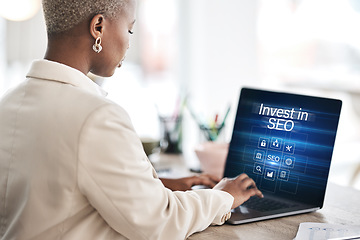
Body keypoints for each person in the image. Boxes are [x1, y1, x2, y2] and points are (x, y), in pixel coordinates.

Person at [0, 0, 263, 239]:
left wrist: (152, 185)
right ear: (98, 26)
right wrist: (222, 197)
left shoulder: (8, 103)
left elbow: (54, 190)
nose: (128, 43)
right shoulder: (95, 116)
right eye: (130, 30)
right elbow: (160, 222)